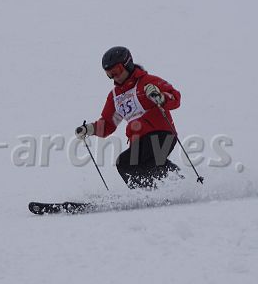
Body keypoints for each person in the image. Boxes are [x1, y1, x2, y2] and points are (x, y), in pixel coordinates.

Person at [75, 46, 182, 189]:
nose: (115, 76)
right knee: (136, 164)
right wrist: (89, 129)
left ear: (128, 64)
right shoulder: (115, 97)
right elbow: (108, 124)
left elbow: (175, 98)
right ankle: (176, 185)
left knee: (127, 163)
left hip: (161, 134)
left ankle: (150, 192)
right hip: (138, 141)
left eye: (117, 70)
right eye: (109, 74)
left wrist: (160, 97)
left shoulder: (147, 82)